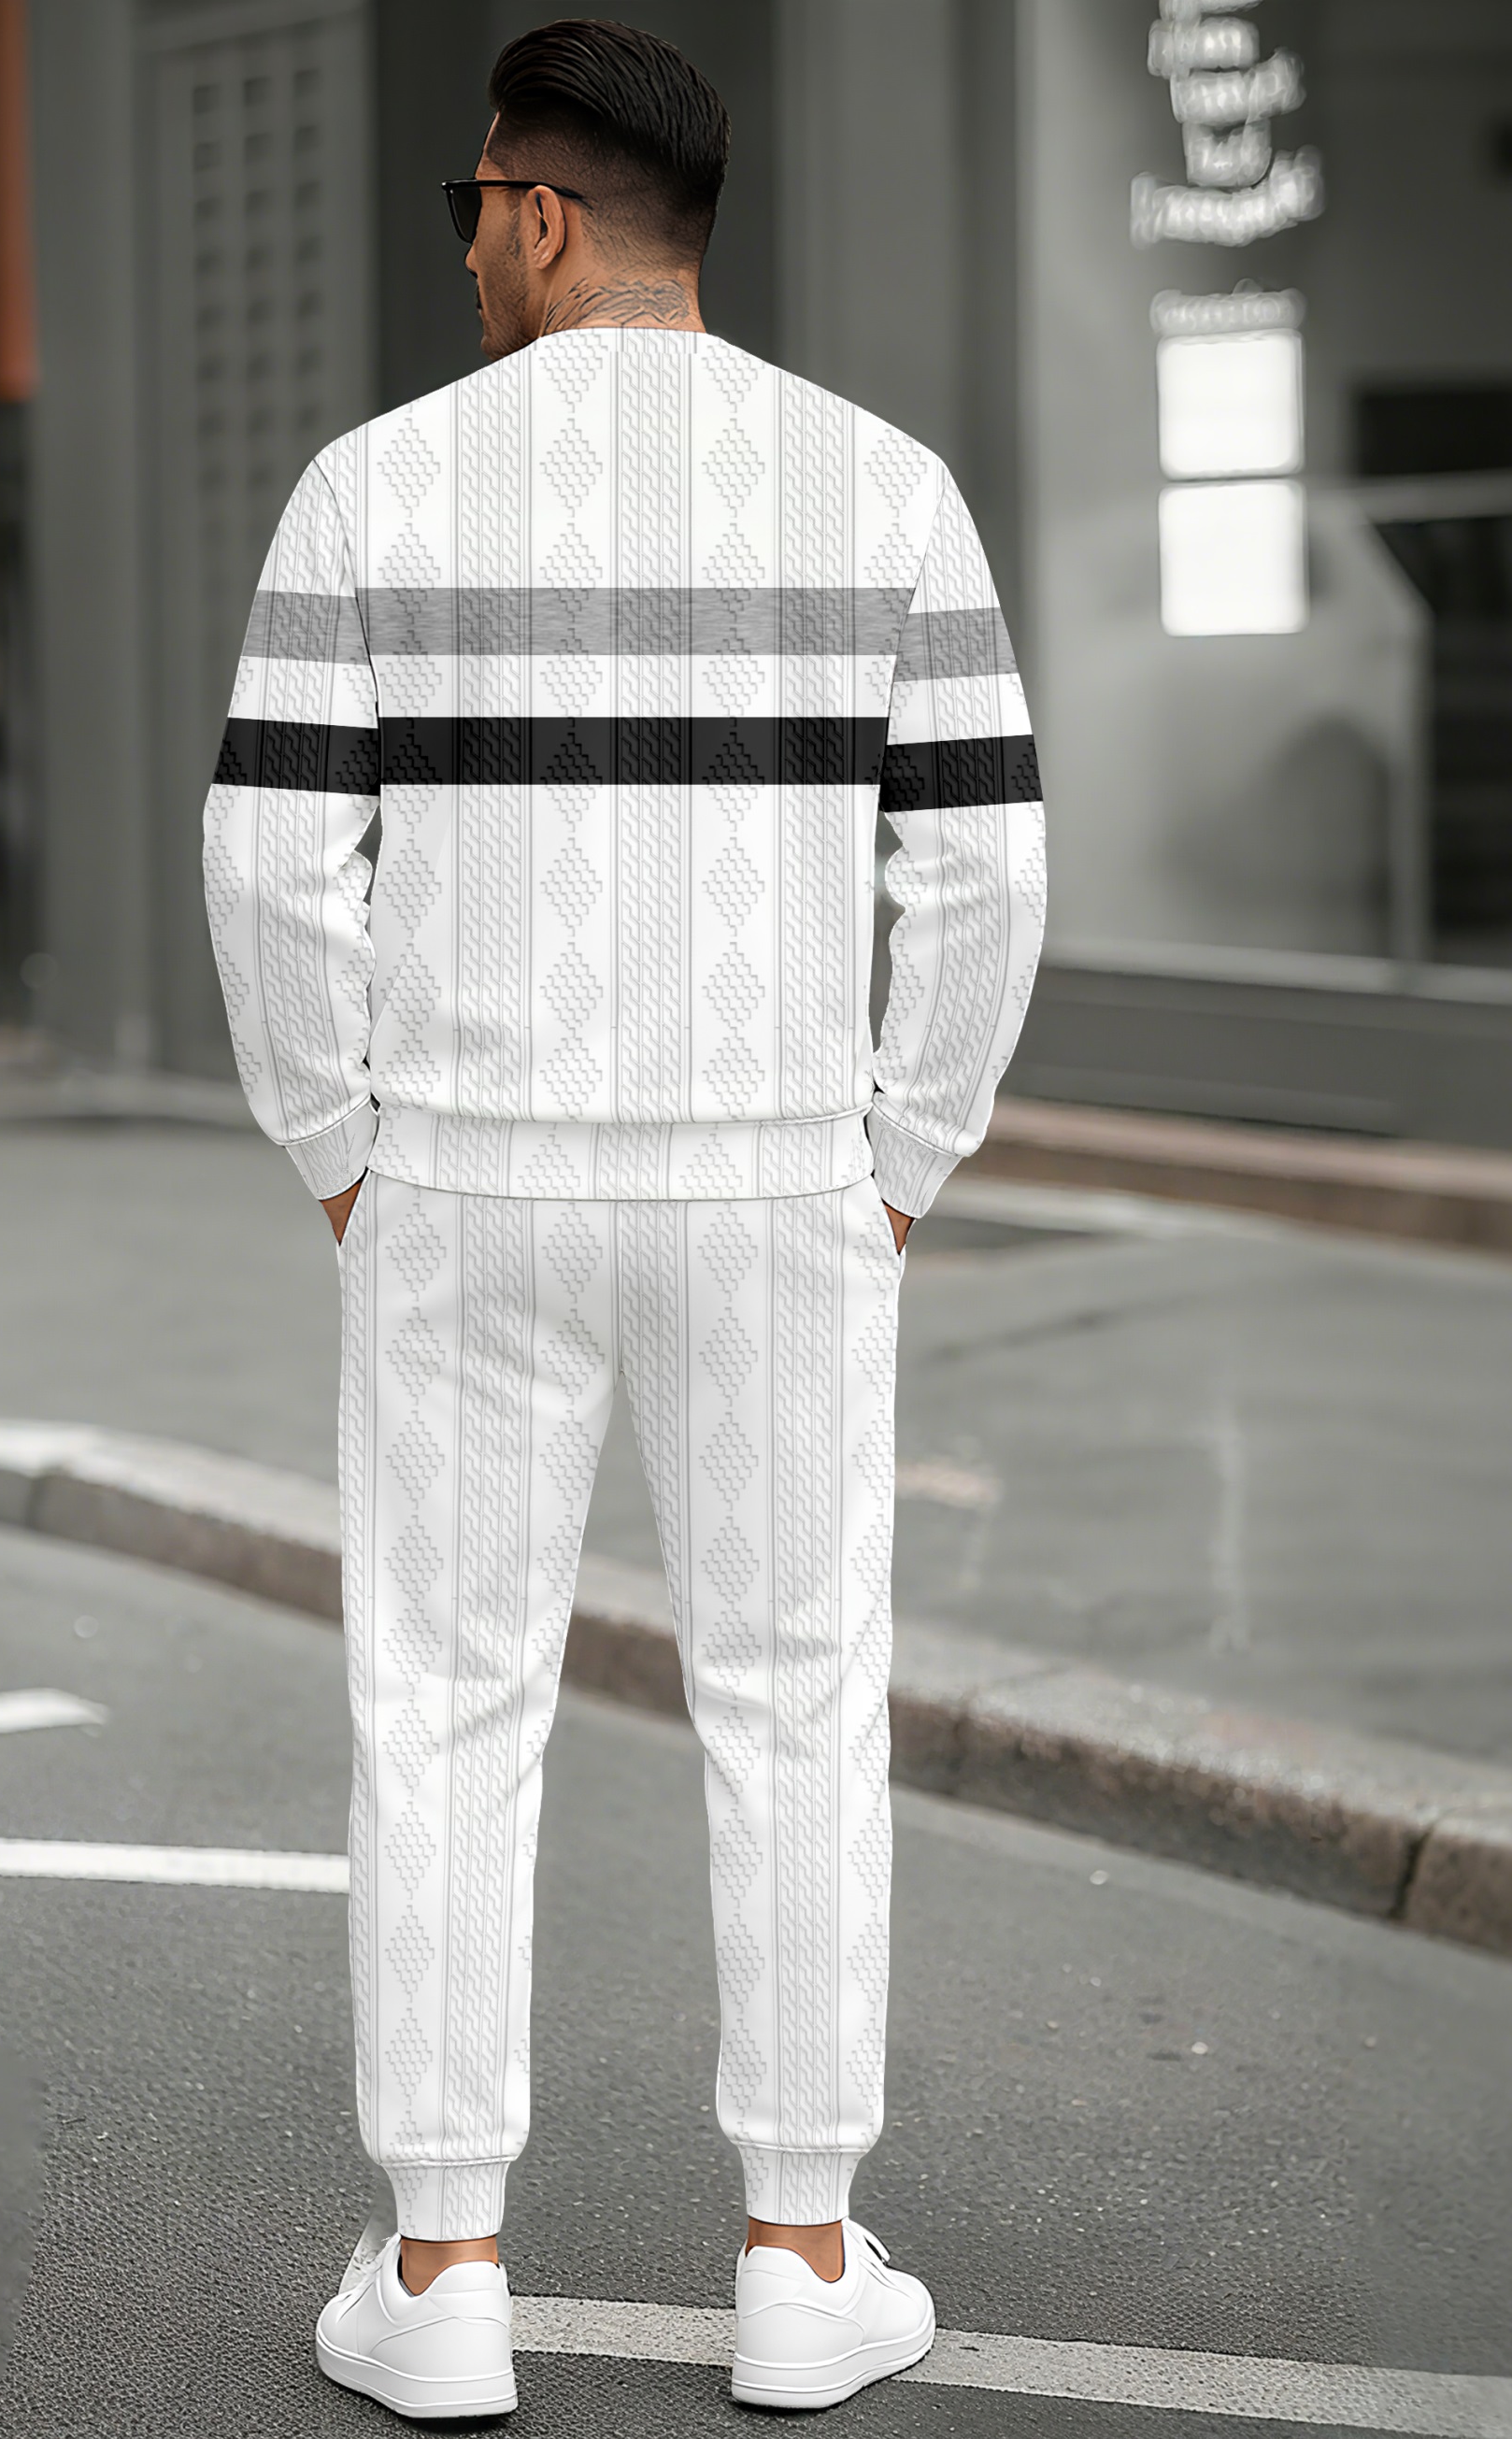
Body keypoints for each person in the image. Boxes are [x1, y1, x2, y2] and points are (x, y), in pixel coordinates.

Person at [204, 18, 1044, 2418]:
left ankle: (444, 2274)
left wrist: (340, 1147)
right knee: (795, 1700)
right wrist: (899, 1161)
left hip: (465, 1183)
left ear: (544, 215)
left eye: (472, 206)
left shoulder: (372, 491)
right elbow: (986, 872)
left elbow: (269, 864)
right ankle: (801, 2256)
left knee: (446, 1703)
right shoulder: (886, 492)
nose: (465, 247)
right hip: (777, 1180)